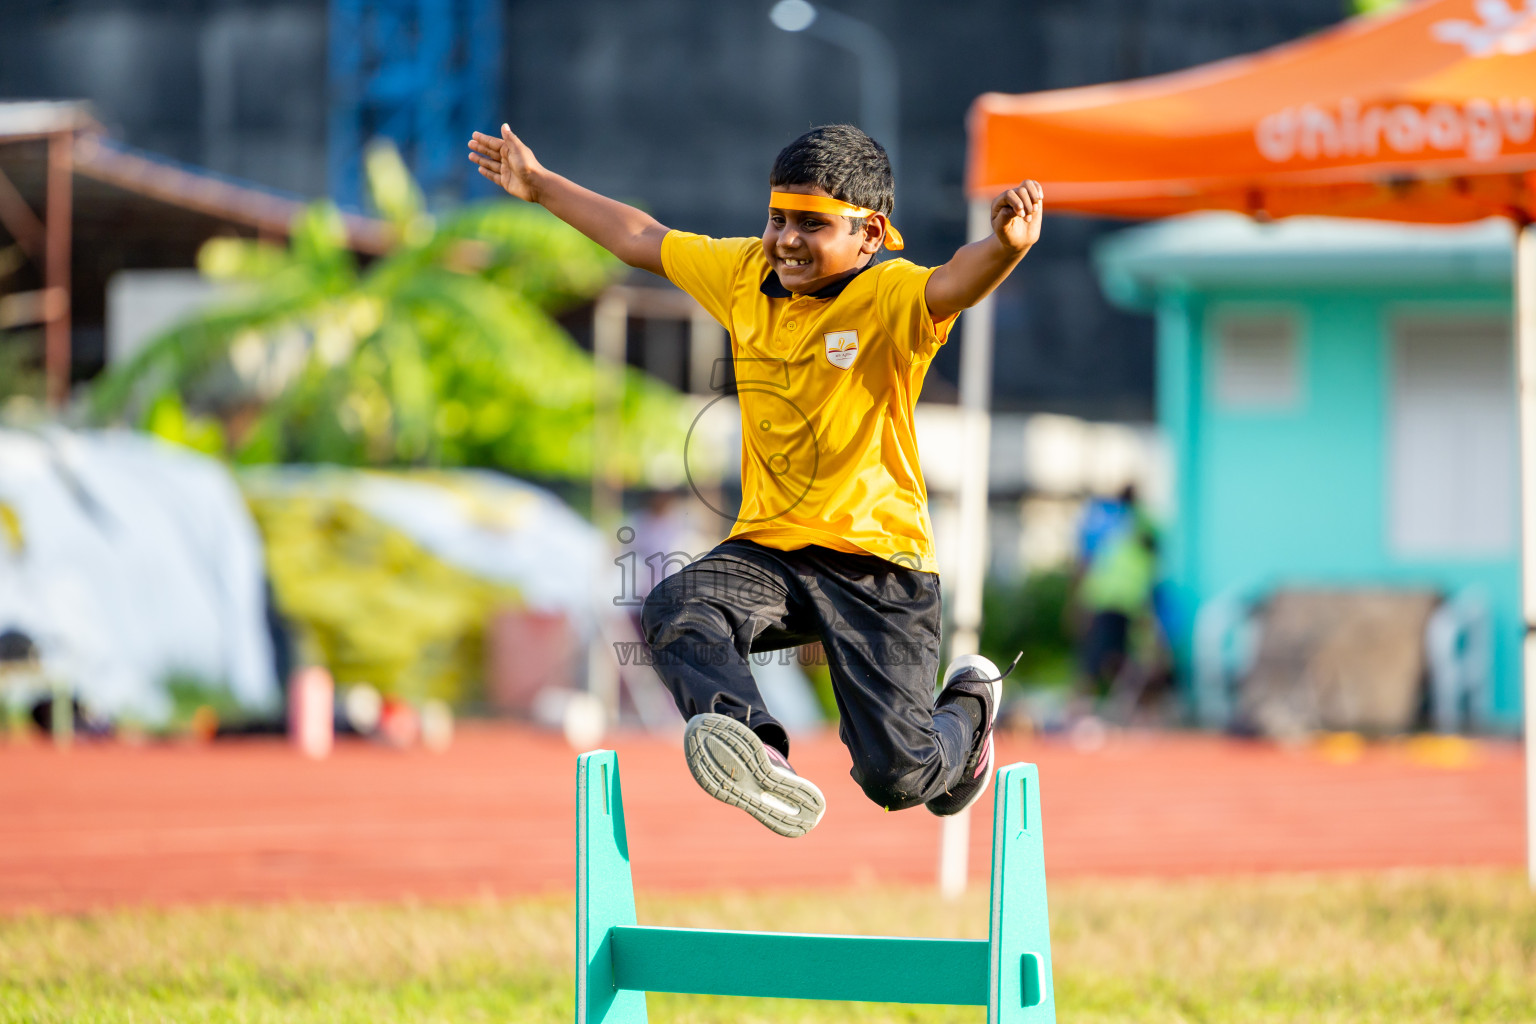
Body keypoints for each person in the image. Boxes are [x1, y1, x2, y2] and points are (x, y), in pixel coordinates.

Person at [468, 122, 1042, 837]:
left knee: (898, 777)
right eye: (777, 218)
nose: (787, 240)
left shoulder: (890, 295)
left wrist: (1005, 250)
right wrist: (539, 185)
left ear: (871, 235)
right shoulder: (742, 273)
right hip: (772, 551)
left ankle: (970, 711)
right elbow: (641, 237)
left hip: (877, 563)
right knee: (677, 605)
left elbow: (954, 281)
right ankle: (759, 753)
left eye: (813, 225)